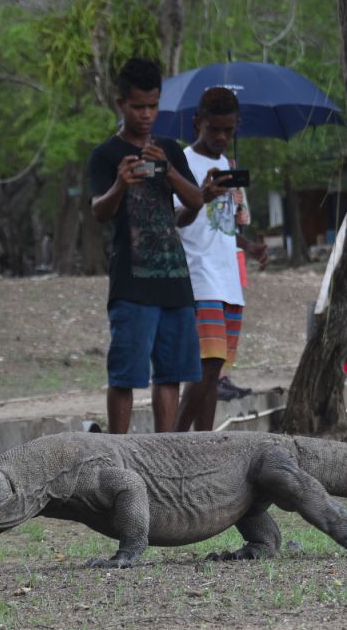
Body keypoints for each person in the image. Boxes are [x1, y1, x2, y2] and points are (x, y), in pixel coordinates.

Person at [87, 57, 205, 434]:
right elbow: (98, 212)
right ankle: (117, 453)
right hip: (132, 285)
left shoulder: (170, 148)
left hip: (174, 281)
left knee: (170, 376)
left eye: (153, 105)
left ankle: (165, 453)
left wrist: (168, 169)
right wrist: (119, 185)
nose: (147, 114)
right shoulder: (105, 154)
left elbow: (196, 201)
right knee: (125, 374)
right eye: (138, 106)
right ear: (120, 103)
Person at [172, 87, 269, 431]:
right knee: (204, 367)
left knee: (215, 373)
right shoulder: (182, 161)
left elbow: (224, 226)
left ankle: (204, 446)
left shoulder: (228, 164)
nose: (222, 137)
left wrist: (250, 247)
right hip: (200, 278)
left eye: (229, 130)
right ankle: (175, 443)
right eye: (214, 129)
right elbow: (177, 219)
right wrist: (201, 195)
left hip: (229, 281)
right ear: (198, 123)